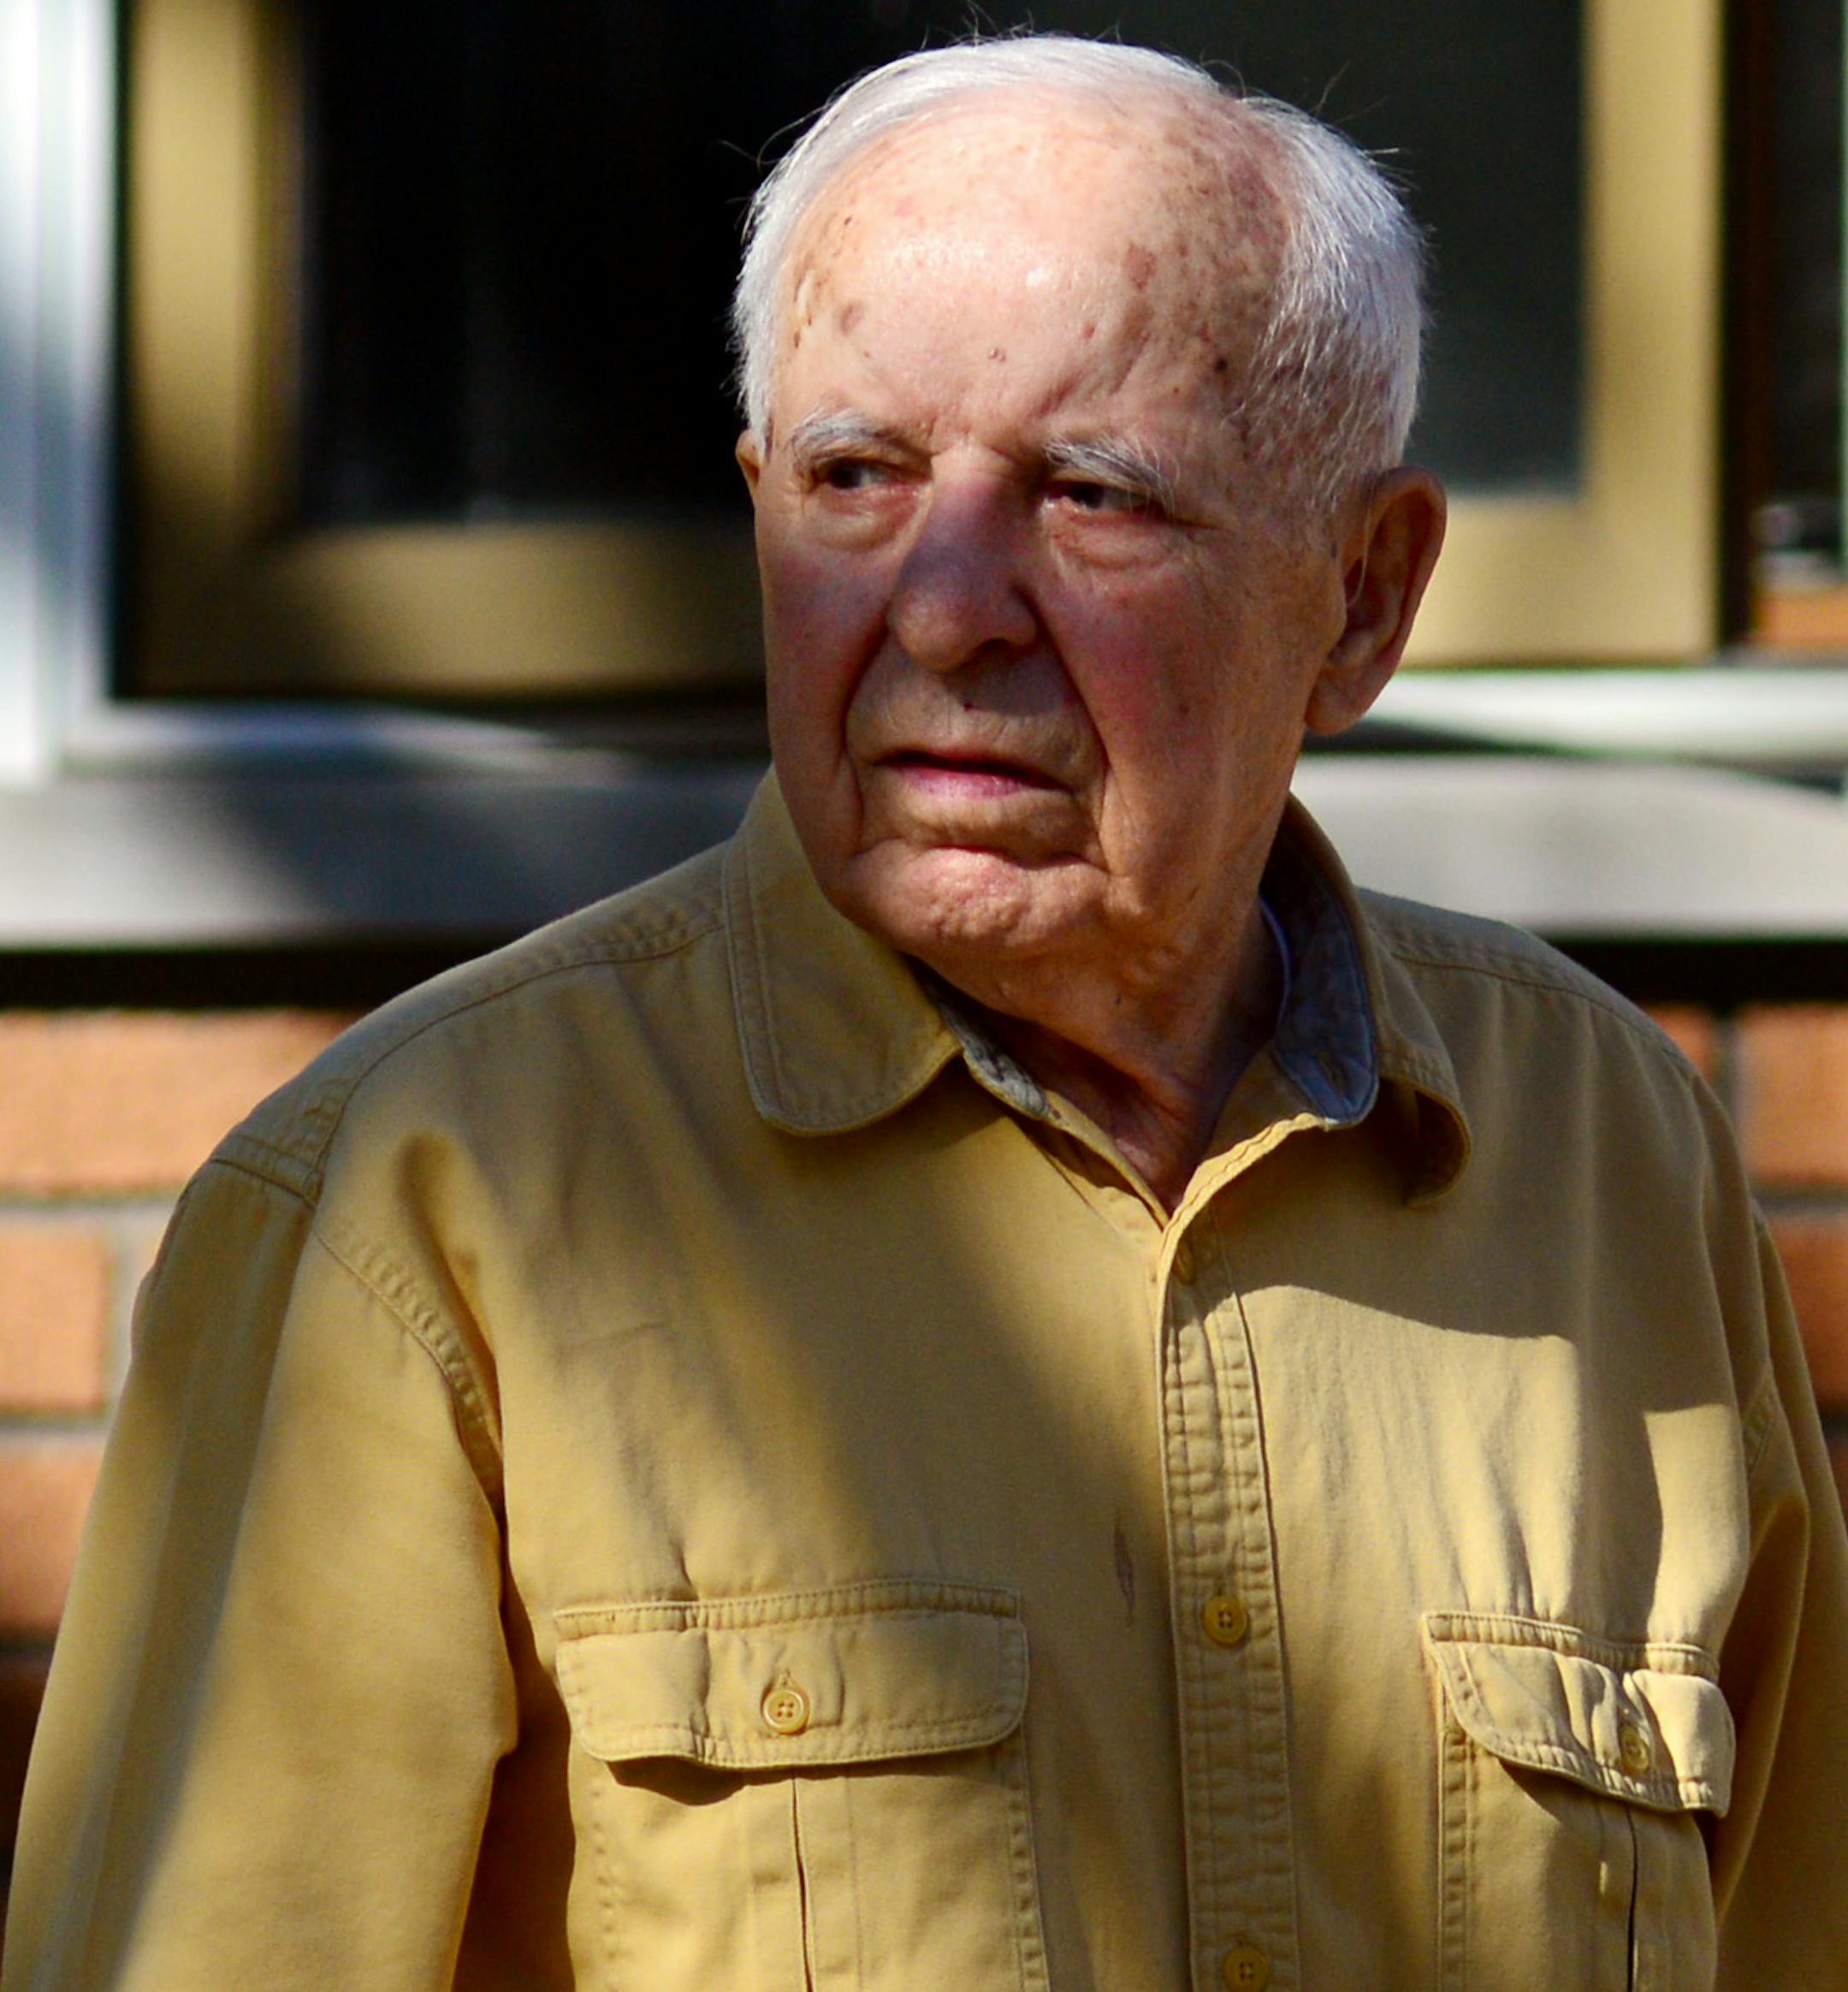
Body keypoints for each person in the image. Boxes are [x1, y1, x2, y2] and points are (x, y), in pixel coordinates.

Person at [8, 35, 1846, 1991]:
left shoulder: (1605, 1156)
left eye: (1092, 492)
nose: (948, 602)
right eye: (856, 478)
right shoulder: (422, 1208)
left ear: (1366, 597)